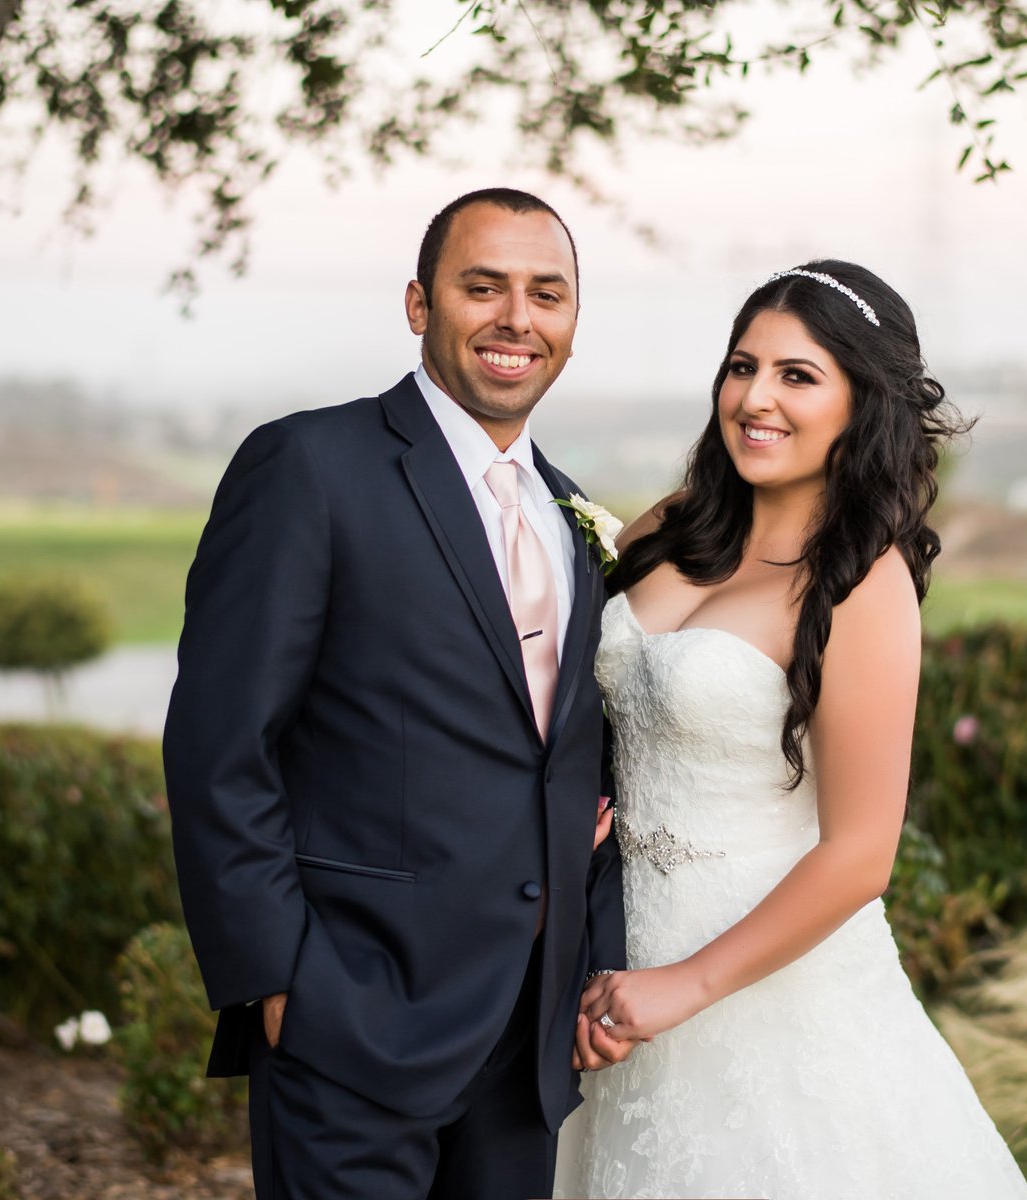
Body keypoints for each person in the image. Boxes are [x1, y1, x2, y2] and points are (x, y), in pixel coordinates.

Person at [163, 187, 630, 1200]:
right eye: (483, 287)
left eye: (546, 294)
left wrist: (593, 957)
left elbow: (570, 764)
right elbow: (220, 743)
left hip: (527, 1041)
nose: (517, 318)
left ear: (572, 321)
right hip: (351, 1020)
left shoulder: (572, 512)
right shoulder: (309, 466)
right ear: (420, 304)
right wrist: (274, 977)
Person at [556, 262, 1027, 1197]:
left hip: (758, 979)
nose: (755, 398)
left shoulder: (862, 583)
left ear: (862, 403)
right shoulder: (675, 525)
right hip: (610, 957)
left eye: (797, 376)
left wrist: (685, 984)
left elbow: (860, 855)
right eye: (742, 367)